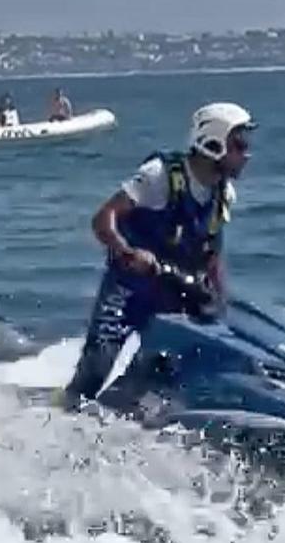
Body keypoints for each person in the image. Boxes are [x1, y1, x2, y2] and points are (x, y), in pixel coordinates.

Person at [63, 101, 256, 407]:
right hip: (128, 289)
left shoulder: (223, 194)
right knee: (97, 366)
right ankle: (67, 413)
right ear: (213, 144)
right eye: (239, 144)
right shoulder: (161, 176)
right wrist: (128, 252)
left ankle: (112, 415)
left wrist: (221, 306)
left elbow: (212, 254)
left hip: (171, 292)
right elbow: (103, 218)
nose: (247, 154)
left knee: (159, 369)